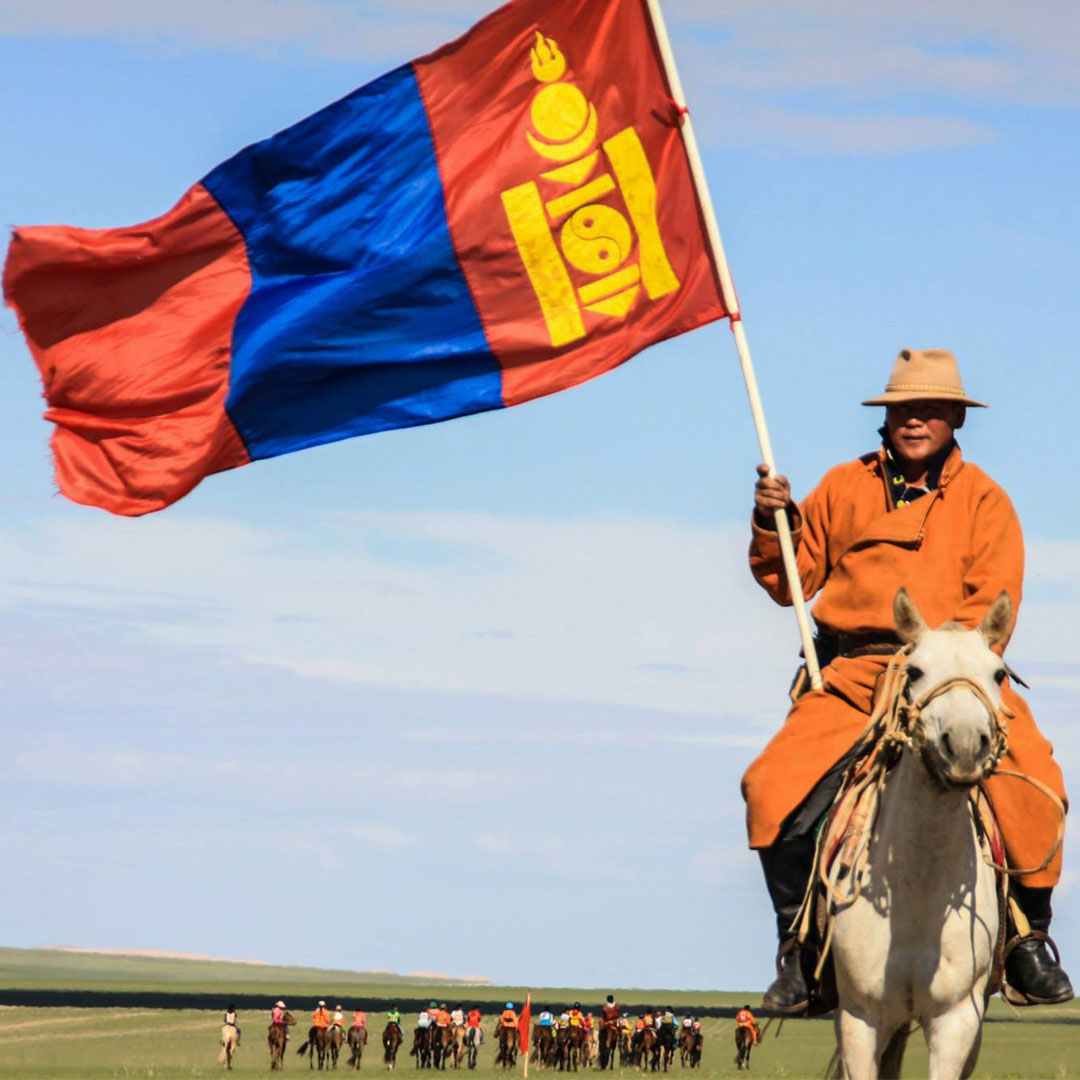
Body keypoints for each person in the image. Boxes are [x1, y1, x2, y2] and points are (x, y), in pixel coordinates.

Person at [745, 347, 1071, 1012]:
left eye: (929, 410)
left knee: (1038, 781)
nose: (914, 420)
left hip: (954, 673)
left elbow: (992, 608)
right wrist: (771, 519)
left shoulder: (985, 499)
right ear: (886, 419)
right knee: (769, 785)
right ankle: (801, 953)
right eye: (902, 410)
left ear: (956, 418)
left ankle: (1026, 943)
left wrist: (949, 664)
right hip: (858, 671)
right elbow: (792, 581)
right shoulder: (843, 485)